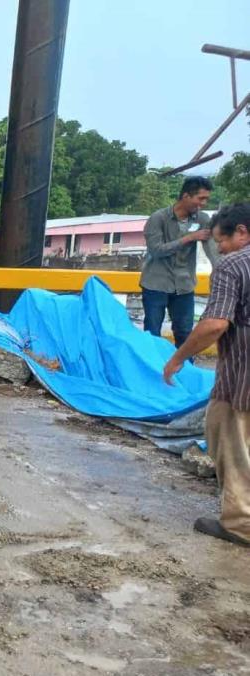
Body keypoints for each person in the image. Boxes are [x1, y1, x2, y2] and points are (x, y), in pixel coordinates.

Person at [163, 203, 250, 547]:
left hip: (242, 376)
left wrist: (178, 358)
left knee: (228, 437)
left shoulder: (233, 265)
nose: (220, 250)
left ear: (241, 231)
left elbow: (215, 323)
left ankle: (241, 524)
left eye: (221, 241)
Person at [140, 176, 219, 347]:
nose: (204, 203)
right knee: (152, 332)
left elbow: (212, 248)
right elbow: (156, 250)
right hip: (156, 285)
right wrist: (189, 238)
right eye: (201, 198)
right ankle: (151, 370)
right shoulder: (158, 218)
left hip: (184, 285)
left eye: (206, 199)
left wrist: (220, 270)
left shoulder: (202, 219)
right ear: (186, 196)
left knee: (184, 332)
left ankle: (185, 371)